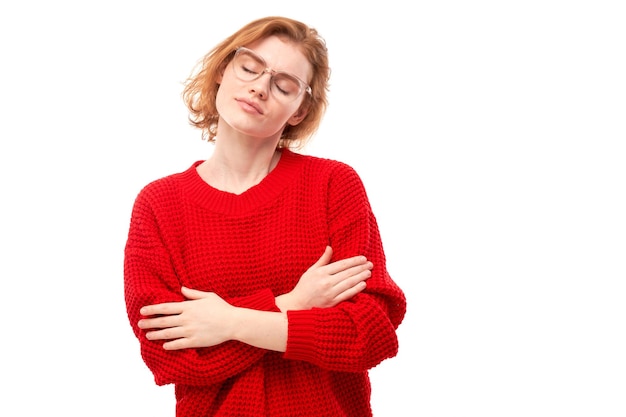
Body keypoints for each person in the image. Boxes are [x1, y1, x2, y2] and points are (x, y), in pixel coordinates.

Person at [124, 16, 406, 417]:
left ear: (298, 109)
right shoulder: (159, 204)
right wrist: (294, 302)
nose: (259, 87)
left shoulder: (332, 184)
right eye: (250, 67)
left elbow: (371, 333)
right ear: (224, 70)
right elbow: (167, 356)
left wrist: (229, 322)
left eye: (284, 85)